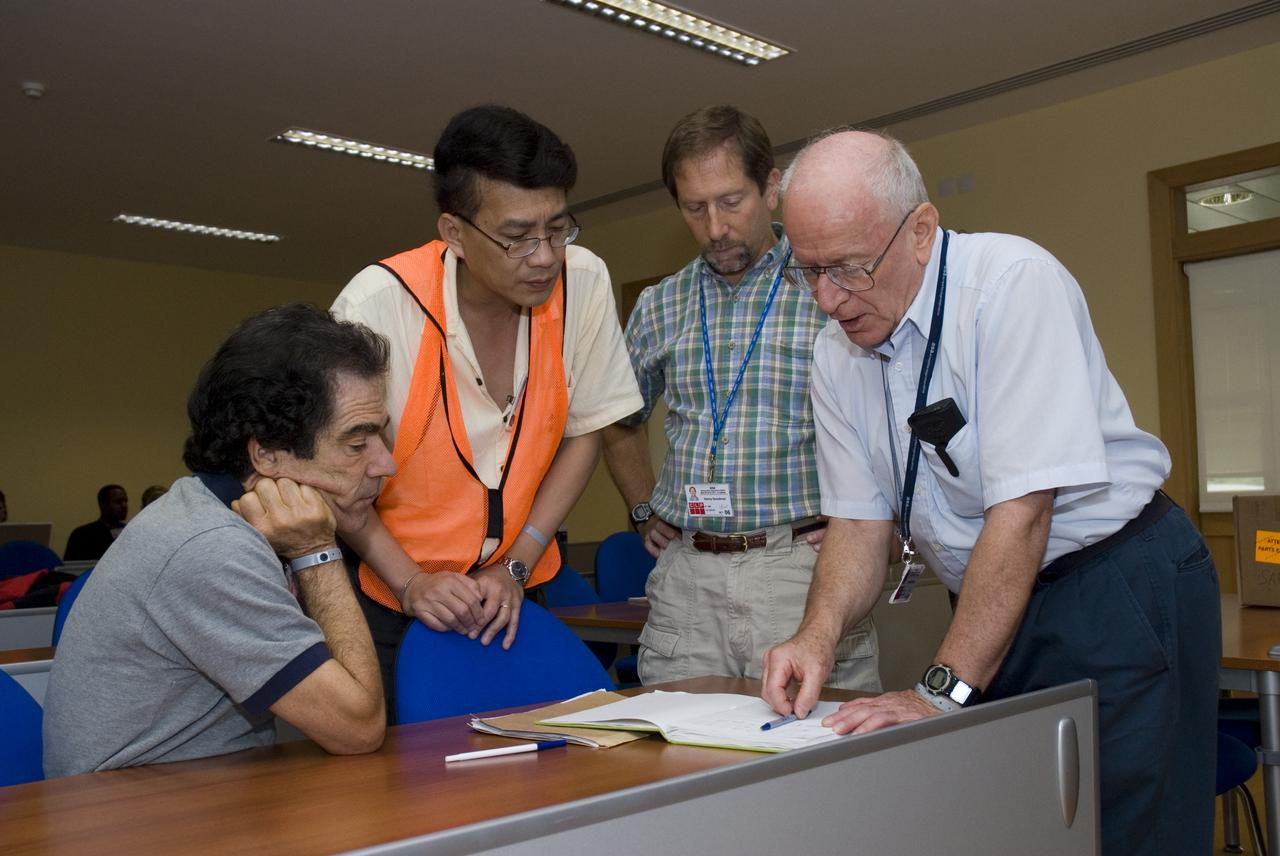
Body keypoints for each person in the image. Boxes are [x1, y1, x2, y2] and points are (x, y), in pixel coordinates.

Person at [761, 128, 1219, 854]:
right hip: (993, 598)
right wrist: (815, 639)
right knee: (1023, 828)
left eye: (847, 268)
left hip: (1115, 585)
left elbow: (1024, 515)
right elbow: (857, 526)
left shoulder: (1010, 285)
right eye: (807, 269)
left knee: (1130, 831)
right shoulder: (834, 352)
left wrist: (939, 690)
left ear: (920, 231)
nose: (826, 299)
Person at [331, 105, 641, 706]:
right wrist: (411, 581)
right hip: (387, 590)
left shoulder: (583, 281)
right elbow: (334, 471)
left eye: (558, 228)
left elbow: (587, 430)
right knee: (405, 789)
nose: (546, 255)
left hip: (517, 588)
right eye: (518, 237)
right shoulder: (377, 304)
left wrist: (520, 561)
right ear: (454, 233)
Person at [44, 304, 390, 776]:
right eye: (357, 443)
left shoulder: (219, 516)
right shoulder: (209, 547)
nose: (385, 463)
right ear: (266, 452)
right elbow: (357, 729)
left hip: (211, 789)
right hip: (127, 818)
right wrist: (318, 554)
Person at [602, 106, 879, 690]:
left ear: (771, 189)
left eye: (732, 202)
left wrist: (874, 515)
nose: (715, 227)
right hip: (687, 584)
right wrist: (639, 505)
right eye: (694, 208)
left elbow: (894, 408)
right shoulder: (660, 304)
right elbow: (617, 418)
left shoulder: (826, 288)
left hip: (799, 571)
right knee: (683, 769)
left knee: (819, 765)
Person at [63, 484, 128, 560]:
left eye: (125, 501)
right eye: (118, 502)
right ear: (103, 505)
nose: (124, 505)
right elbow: (71, 568)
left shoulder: (129, 532)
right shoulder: (82, 535)